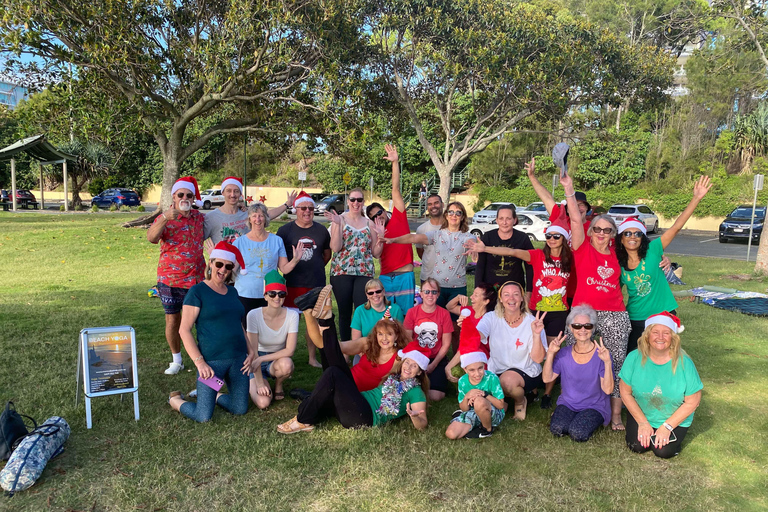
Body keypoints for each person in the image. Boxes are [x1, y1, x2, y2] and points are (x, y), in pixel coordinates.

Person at [276, 286, 428, 434]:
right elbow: (335, 348)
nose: (408, 367)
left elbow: (422, 422)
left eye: (389, 334)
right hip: (350, 396)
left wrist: (415, 417)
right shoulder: (386, 365)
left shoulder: (412, 384)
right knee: (329, 366)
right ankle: (318, 316)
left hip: (361, 413)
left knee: (332, 373)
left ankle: (303, 418)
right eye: (380, 334)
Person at [465, 205, 573, 408]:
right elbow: (511, 252)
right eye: (548, 236)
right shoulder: (537, 255)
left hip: (553, 309)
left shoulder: (569, 259)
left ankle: (545, 391)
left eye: (556, 236)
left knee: (550, 350)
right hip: (528, 304)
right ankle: (511, 375)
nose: (551, 239)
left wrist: (528, 290)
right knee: (514, 336)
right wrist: (485, 250)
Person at [561, 172, 629, 431]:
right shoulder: (582, 247)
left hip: (614, 314)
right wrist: (569, 189)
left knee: (616, 363)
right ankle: (574, 403)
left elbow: (643, 255)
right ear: (591, 231)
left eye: (607, 230)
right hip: (583, 313)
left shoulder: (618, 253)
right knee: (576, 360)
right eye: (597, 229)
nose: (601, 233)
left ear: (613, 234)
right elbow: (575, 219)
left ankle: (616, 415)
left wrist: (665, 262)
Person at [618, 176, 712, 353]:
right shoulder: (619, 263)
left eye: (637, 233)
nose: (633, 237)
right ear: (621, 238)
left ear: (643, 237)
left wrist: (696, 198)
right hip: (636, 317)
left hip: (662, 314)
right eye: (627, 233)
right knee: (635, 357)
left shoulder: (653, 250)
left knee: (664, 355)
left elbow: (676, 227)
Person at [168, 242, 253, 422]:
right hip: (212, 364)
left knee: (240, 409)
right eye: (219, 264)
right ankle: (175, 400)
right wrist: (200, 363)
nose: (223, 270)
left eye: (228, 266)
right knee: (203, 416)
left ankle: (216, 395)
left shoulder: (232, 291)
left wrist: (251, 351)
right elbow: (184, 330)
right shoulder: (197, 291)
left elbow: (238, 324)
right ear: (211, 263)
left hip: (238, 360)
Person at [619, 312, 702, 458]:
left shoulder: (685, 363)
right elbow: (625, 392)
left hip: (672, 416)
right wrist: (642, 423)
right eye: (655, 332)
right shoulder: (633, 357)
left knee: (663, 451)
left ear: (673, 337)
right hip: (643, 412)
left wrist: (667, 427)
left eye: (666, 333)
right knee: (636, 446)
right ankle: (645, 426)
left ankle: (670, 434)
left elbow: (693, 401)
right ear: (647, 336)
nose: (660, 337)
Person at [147, 176, 206, 375]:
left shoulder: (199, 218)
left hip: (197, 279)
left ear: (193, 198)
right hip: (171, 279)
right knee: (173, 320)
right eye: (181, 194)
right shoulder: (165, 218)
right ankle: (177, 360)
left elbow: (223, 217)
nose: (185, 198)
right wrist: (165, 218)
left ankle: (203, 358)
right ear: (174, 197)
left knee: (202, 320)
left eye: (189, 195)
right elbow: (151, 238)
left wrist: (241, 208)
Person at [476, 281, 547, 421]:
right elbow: (478, 335)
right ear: (501, 299)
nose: (511, 298)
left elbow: (538, 359)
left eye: (516, 294)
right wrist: (467, 325)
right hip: (497, 370)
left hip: (525, 370)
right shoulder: (491, 317)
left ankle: (520, 401)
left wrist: (536, 334)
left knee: (507, 381)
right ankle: (508, 398)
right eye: (506, 295)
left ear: (522, 298)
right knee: (488, 402)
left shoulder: (532, 322)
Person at [276, 191, 331, 368]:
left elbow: (327, 254)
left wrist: (314, 266)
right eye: (303, 208)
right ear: (296, 209)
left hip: (316, 283)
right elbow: (279, 256)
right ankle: (283, 356)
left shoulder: (321, 230)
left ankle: (312, 358)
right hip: (293, 283)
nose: (307, 211)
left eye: (310, 208)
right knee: (289, 322)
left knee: (313, 322)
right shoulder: (285, 231)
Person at [542, 305, 613, 442]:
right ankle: (569, 417)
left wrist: (607, 362)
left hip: (594, 406)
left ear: (593, 328)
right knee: (557, 429)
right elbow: (547, 378)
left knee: (577, 433)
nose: (582, 330)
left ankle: (580, 419)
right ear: (570, 327)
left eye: (587, 325)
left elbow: (608, 390)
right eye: (577, 326)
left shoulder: (602, 354)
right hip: (568, 403)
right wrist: (550, 353)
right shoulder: (564, 353)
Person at [327, 188, 383, 342]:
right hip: (341, 272)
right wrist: (337, 225)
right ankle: (346, 347)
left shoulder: (369, 223)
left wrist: (381, 237)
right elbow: (335, 248)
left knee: (362, 310)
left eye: (359, 200)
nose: (356, 203)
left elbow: (376, 253)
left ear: (363, 202)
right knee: (344, 312)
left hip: (364, 273)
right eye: (352, 199)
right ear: (348, 201)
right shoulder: (340, 219)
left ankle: (361, 346)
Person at [232, 202, 304, 319]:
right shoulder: (239, 242)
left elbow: (284, 269)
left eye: (261, 216)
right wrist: (217, 258)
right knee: (246, 328)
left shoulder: (276, 240)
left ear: (265, 218)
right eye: (254, 216)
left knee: (269, 328)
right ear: (249, 219)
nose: (258, 219)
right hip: (245, 294)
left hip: (271, 294)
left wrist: (295, 260)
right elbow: (232, 271)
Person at [368, 144, 416, 315]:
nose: (378, 216)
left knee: (406, 316)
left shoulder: (398, 217)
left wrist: (395, 163)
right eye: (374, 216)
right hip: (386, 278)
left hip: (404, 276)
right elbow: (376, 254)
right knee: (386, 317)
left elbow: (395, 190)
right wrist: (379, 236)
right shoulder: (375, 231)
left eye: (379, 212)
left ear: (384, 210)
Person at [246, 270, 299, 408]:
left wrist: (262, 359)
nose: (277, 297)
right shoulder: (253, 315)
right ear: (265, 296)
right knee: (263, 403)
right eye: (272, 294)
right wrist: (259, 383)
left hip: (276, 358)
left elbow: (290, 350)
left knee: (287, 365)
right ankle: (221, 393)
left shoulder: (292, 315)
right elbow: (253, 352)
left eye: (281, 294)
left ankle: (278, 385)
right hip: (255, 359)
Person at [203, 177, 297, 246]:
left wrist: (287, 204)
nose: (232, 195)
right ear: (223, 192)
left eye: (236, 191)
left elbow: (268, 215)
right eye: (229, 191)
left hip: (246, 265)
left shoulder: (247, 213)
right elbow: (197, 240)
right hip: (223, 266)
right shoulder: (211, 217)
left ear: (240, 194)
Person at [403, 278, 454, 401]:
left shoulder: (444, 314)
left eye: (434, 292)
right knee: (406, 387)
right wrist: (417, 362)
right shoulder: (412, 312)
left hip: (436, 357)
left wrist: (433, 365)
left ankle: (424, 385)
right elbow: (407, 339)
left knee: (436, 396)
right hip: (416, 356)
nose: (430, 295)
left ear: (438, 294)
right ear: (421, 294)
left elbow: (446, 344)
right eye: (426, 292)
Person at [473, 204, 534, 296]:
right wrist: (477, 289)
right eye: (501, 219)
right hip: (491, 289)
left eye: (508, 219)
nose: (504, 222)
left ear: (514, 220)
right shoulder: (488, 237)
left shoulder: (523, 238)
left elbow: (530, 267)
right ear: (496, 220)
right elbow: (480, 265)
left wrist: (529, 292)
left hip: (514, 289)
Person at [443, 284, 497, 383]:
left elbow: (469, 345)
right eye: (473, 294)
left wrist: (449, 366)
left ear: (486, 301)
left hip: (480, 359)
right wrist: (458, 297)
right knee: (455, 372)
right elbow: (449, 307)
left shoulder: (488, 320)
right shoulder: (469, 311)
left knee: (455, 371)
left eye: (476, 295)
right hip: (464, 353)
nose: (471, 297)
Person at [445, 352, 506, 439]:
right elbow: (464, 409)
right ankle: (476, 423)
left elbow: (500, 405)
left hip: (493, 413)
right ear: (465, 370)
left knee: (479, 401)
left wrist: (484, 394)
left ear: (484, 366)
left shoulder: (492, 378)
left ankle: (487, 429)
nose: (477, 374)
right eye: (472, 370)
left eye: (480, 368)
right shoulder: (462, 381)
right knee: (451, 434)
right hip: (472, 411)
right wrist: (467, 396)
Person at [350, 278, 405, 349]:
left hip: (390, 350)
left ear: (383, 292)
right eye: (370, 293)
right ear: (367, 295)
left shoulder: (395, 309)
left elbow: (401, 337)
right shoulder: (360, 311)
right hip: (367, 350)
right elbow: (356, 342)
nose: (375, 295)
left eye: (378, 291)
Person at [415, 193, 444, 284]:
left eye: (436, 203)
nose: (433, 206)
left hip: (448, 278)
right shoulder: (421, 229)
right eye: (430, 204)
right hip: (427, 277)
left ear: (442, 205)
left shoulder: (451, 227)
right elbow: (420, 252)